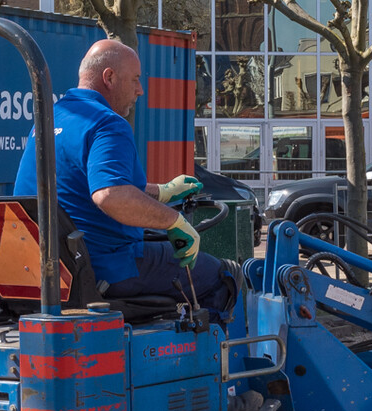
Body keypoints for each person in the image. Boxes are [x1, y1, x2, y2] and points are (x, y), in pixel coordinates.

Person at [13, 39, 233, 312]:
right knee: (222, 276)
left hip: (52, 271)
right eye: (136, 80)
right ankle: (212, 353)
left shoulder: (51, 119)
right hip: (106, 268)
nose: (140, 90)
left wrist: (162, 192)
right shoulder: (106, 123)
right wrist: (173, 220)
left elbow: (86, 186)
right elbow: (110, 195)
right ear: (110, 77)